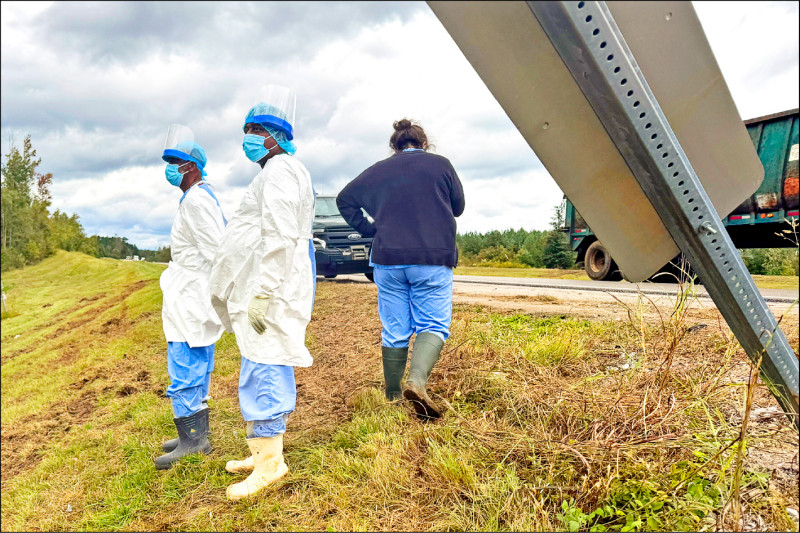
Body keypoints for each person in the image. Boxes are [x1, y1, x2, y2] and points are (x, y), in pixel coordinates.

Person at [210, 85, 316, 500]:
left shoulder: (282, 170)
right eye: (247, 128)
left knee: (264, 364)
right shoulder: (275, 171)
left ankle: (272, 463)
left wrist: (264, 292)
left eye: (257, 129)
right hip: (264, 284)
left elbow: (280, 235)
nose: (248, 137)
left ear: (276, 135)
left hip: (272, 287)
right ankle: (263, 451)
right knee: (259, 362)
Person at [336, 118, 465, 420]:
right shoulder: (441, 165)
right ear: (423, 143)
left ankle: (393, 396)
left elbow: (344, 199)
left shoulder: (377, 171)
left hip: (387, 259)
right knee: (433, 324)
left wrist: (368, 228)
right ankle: (417, 383)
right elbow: (457, 207)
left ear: (394, 146)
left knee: (395, 330)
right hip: (432, 256)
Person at [155, 124, 228, 469]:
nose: (170, 168)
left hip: (191, 294)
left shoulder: (197, 201)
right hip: (191, 292)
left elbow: (216, 250)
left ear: (192, 167)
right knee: (196, 360)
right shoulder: (197, 198)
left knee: (184, 362)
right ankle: (195, 431)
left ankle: (193, 441)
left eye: (176, 161)